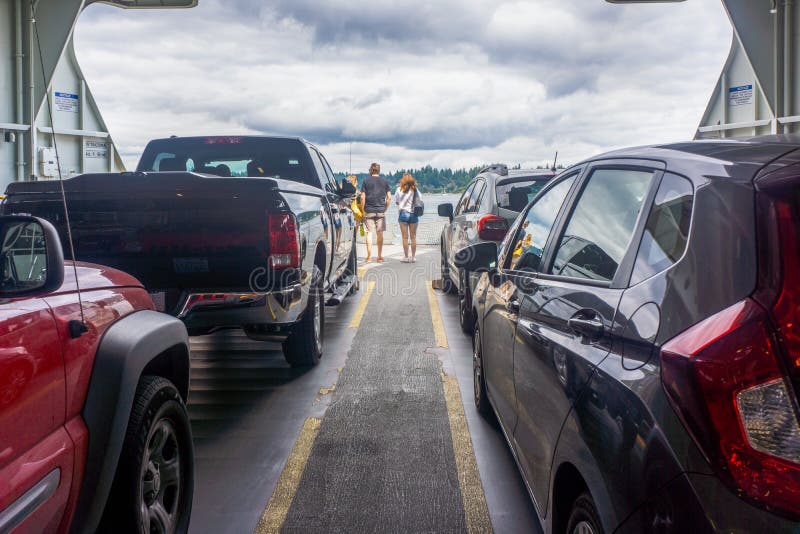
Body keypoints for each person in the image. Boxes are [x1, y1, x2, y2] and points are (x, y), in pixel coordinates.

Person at [360, 163, 391, 262]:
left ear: (372, 170)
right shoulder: (384, 181)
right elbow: (389, 197)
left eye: (369, 169)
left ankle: (369, 257)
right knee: (380, 234)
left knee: (369, 234)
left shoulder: (365, 181)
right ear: (378, 170)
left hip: (368, 210)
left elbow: (362, 197)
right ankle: (379, 256)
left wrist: (363, 209)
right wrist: (385, 208)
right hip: (380, 211)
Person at [395, 173, 422, 262]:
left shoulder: (399, 189)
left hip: (403, 214)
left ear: (403, 180)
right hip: (414, 214)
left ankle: (406, 257)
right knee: (413, 237)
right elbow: (420, 201)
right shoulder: (416, 190)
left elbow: (397, 202)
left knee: (405, 237)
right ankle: (413, 257)